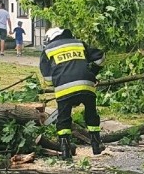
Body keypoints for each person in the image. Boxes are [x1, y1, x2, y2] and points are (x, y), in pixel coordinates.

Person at [39, 27, 106, 159]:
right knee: (91, 114)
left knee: (63, 119)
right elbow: (100, 57)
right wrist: (92, 73)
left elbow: (47, 78)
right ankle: (96, 145)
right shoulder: (79, 43)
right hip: (86, 84)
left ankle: (65, 150)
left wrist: (58, 83)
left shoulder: (47, 50)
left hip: (64, 88)